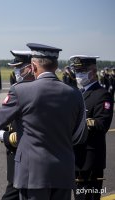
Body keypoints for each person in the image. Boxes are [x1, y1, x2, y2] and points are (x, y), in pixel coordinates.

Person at [0, 43, 87, 200]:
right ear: (56, 65)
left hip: (33, 174)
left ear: (33, 66)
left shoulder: (22, 91)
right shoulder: (75, 93)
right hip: (64, 173)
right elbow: (79, 135)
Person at [0, 50, 34, 200]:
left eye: (19, 68)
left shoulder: (33, 91)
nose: (15, 71)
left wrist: (6, 136)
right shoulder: (18, 89)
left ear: (30, 67)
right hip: (15, 154)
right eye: (14, 68)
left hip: (26, 157)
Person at [70, 55, 113, 200]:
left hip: (90, 161)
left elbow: (102, 124)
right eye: (77, 71)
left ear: (93, 72)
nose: (78, 74)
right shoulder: (79, 93)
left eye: (82, 71)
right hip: (76, 159)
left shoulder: (102, 95)